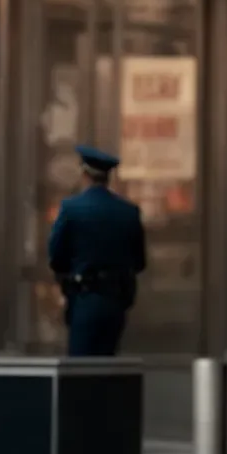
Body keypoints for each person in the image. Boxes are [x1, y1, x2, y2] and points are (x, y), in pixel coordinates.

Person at [46, 145, 147, 356]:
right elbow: (139, 261)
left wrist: (66, 278)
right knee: (108, 361)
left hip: (84, 296)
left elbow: (56, 255)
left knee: (82, 366)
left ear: (84, 174)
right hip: (116, 300)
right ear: (108, 177)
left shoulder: (71, 208)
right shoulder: (128, 212)